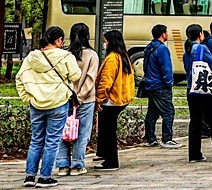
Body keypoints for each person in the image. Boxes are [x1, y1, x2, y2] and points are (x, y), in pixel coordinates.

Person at [17, 25, 80, 189]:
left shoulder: (31, 58)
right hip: (58, 103)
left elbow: (19, 78)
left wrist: (27, 98)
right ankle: (45, 177)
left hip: (36, 104)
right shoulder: (66, 56)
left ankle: (29, 176)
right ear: (59, 40)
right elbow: (76, 75)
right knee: (52, 141)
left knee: (36, 140)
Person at [183, 23, 212, 163]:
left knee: (195, 122)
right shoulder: (202, 48)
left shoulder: (187, 50)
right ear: (200, 35)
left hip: (191, 89)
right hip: (205, 89)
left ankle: (194, 154)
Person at [56, 23, 99, 176]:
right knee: (82, 133)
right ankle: (77, 165)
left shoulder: (65, 54)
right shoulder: (92, 55)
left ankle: (62, 165)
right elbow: (91, 78)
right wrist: (80, 97)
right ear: (87, 35)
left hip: (64, 98)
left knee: (64, 130)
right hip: (86, 100)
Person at [94, 30, 136, 171]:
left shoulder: (112, 58)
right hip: (121, 98)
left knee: (107, 131)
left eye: (106, 41)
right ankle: (108, 158)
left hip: (111, 100)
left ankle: (110, 161)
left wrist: (99, 98)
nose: (105, 44)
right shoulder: (123, 56)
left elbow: (106, 80)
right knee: (109, 130)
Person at [143, 24, 179, 150]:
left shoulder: (149, 47)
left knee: (152, 112)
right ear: (163, 34)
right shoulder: (162, 49)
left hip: (150, 84)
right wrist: (169, 83)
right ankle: (167, 139)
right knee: (168, 111)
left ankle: (150, 138)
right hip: (160, 85)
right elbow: (166, 68)